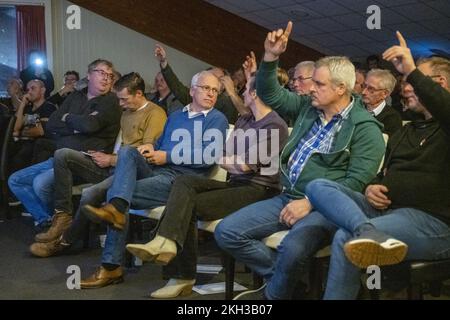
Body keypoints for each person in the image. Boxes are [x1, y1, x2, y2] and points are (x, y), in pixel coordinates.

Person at [214, 21, 385, 300]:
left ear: (341, 88)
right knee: (226, 232)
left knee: (292, 248)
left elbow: (356, 183)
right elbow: (270, 93)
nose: (310, 89)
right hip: (286, 196)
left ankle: (275, 295)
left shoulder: (366, 128)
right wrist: (270, 57)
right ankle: (284, 281)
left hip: (325, 209)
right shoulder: (309, 108)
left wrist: (310, 202)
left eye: (318, 83)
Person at [305, 32, 450, 300]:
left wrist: (410, 70)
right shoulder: (405, 132)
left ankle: (364, 233)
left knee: (344, 238)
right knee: (318, 186)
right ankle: (367, 230)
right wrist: (374, 187)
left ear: (439, 83)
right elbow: (383, 176)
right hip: (388, 213)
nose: (406, 88)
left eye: (413, 82)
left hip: (434, 225)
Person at [126, 73, 289, 299]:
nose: (240, 93)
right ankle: (166, 245)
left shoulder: (275, 125)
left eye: (245, 90)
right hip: (236, 184)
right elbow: (229, 158)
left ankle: (179, 272)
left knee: (188, 203)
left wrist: (222, 157)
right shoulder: (245, 119)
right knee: (184, 182)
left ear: (254, 94)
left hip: (259, 190)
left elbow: (241, 166)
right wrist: (224, 157)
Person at [78, 71, 228, 289]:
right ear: (192, 90)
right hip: (159, 172)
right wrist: (152, 148)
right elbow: (159, 145)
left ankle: (111, 266)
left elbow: (208, 158)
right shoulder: (176, 115)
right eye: (206, 88)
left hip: (183, 182)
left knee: (117, 196)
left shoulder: (217, 119)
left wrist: (165, 156)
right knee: (129, 152)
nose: (211, 94)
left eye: (215, 90)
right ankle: (117, 211)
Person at [29, 72, 167, 257]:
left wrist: (111, 159)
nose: (120, 104)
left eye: (124, 99)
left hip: (131, 171)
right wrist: (106, 156)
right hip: (112, 165)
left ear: (139, 94)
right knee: (62, 154)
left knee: (90, 194)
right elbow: (121, 144)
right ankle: (62, 216)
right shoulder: (126, 113)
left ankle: (64, 241)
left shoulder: (155, 114)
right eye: (119, 99)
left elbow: (145, 155)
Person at [8, 59, 121, 230]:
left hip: (85, 161)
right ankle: (47, 220)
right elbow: (53, 123)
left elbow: (90, 125)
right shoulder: (76, 96)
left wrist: (67, 118)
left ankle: (60, 226)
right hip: (59, 156)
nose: (106, 78)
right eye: (101, 73)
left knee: (40, 183)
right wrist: (77, 126)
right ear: (89, 75)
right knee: (15, 180)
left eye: (110, 75)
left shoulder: (111, 101)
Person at [154, 44, 239, 123]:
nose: (212, 82)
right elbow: (176, 86)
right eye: (210, 77)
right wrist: (164, 62)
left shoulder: (227, 104)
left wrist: (232, 94)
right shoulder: (195, 97)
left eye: (218, 79)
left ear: (223, 86)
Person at [9, 79, 56, 173]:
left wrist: (21, 133)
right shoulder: (27, 109)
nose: (29, 92)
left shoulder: (49, 107)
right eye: (28, 89)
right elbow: (14, 128)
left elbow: (39, 131)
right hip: (22, 146)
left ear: (42, 90)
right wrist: (22, 105)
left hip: (36, 147)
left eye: (33, 88)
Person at [362, 69, 402, 136]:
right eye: (364, 86)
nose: (364, 92)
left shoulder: (392, 118)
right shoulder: (355, 109)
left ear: (385, 94)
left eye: (371, 89)